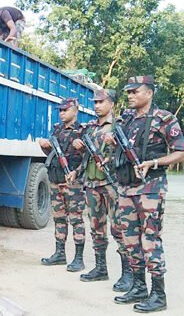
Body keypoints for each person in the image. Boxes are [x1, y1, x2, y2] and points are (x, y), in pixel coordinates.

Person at [107, 76, 184, 313]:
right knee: (129, 239)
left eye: (135, 91)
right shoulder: (127, 120)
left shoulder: (164, 118)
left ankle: (158, 295)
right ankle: (139, 287)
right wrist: (111, 143)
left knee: (150, 240)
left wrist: (154, 161)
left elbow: (180, 151)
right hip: (125, 188)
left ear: (149, 93)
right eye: (128, 92)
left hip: (150, 188)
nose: (130, 95)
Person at [69, 89, 132, 291]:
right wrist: (77, 167)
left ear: (111, 104)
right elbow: (88, 158)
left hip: (112, 184)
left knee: (119, 228)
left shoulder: (121, 125)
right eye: (95, 102)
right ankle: (101, 268)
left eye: (101, 102)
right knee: (97, 227)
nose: (97, 106)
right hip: (92, 184)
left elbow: (129, 153)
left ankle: (128, 275)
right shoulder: (90, 128)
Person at [38, 98, 86, 272]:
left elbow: (87, 159)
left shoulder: (82, 131)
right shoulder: (57, 130)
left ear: (75, 110)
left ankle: (79, 258)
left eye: (65, 110)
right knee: (58, 217)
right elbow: (52, 155)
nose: (62, 113)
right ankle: (59, 253)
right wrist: (45, 147)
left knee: (76, 219)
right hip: (55, 178)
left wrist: (77, 173)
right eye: (60, 110)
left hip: (72, 182)